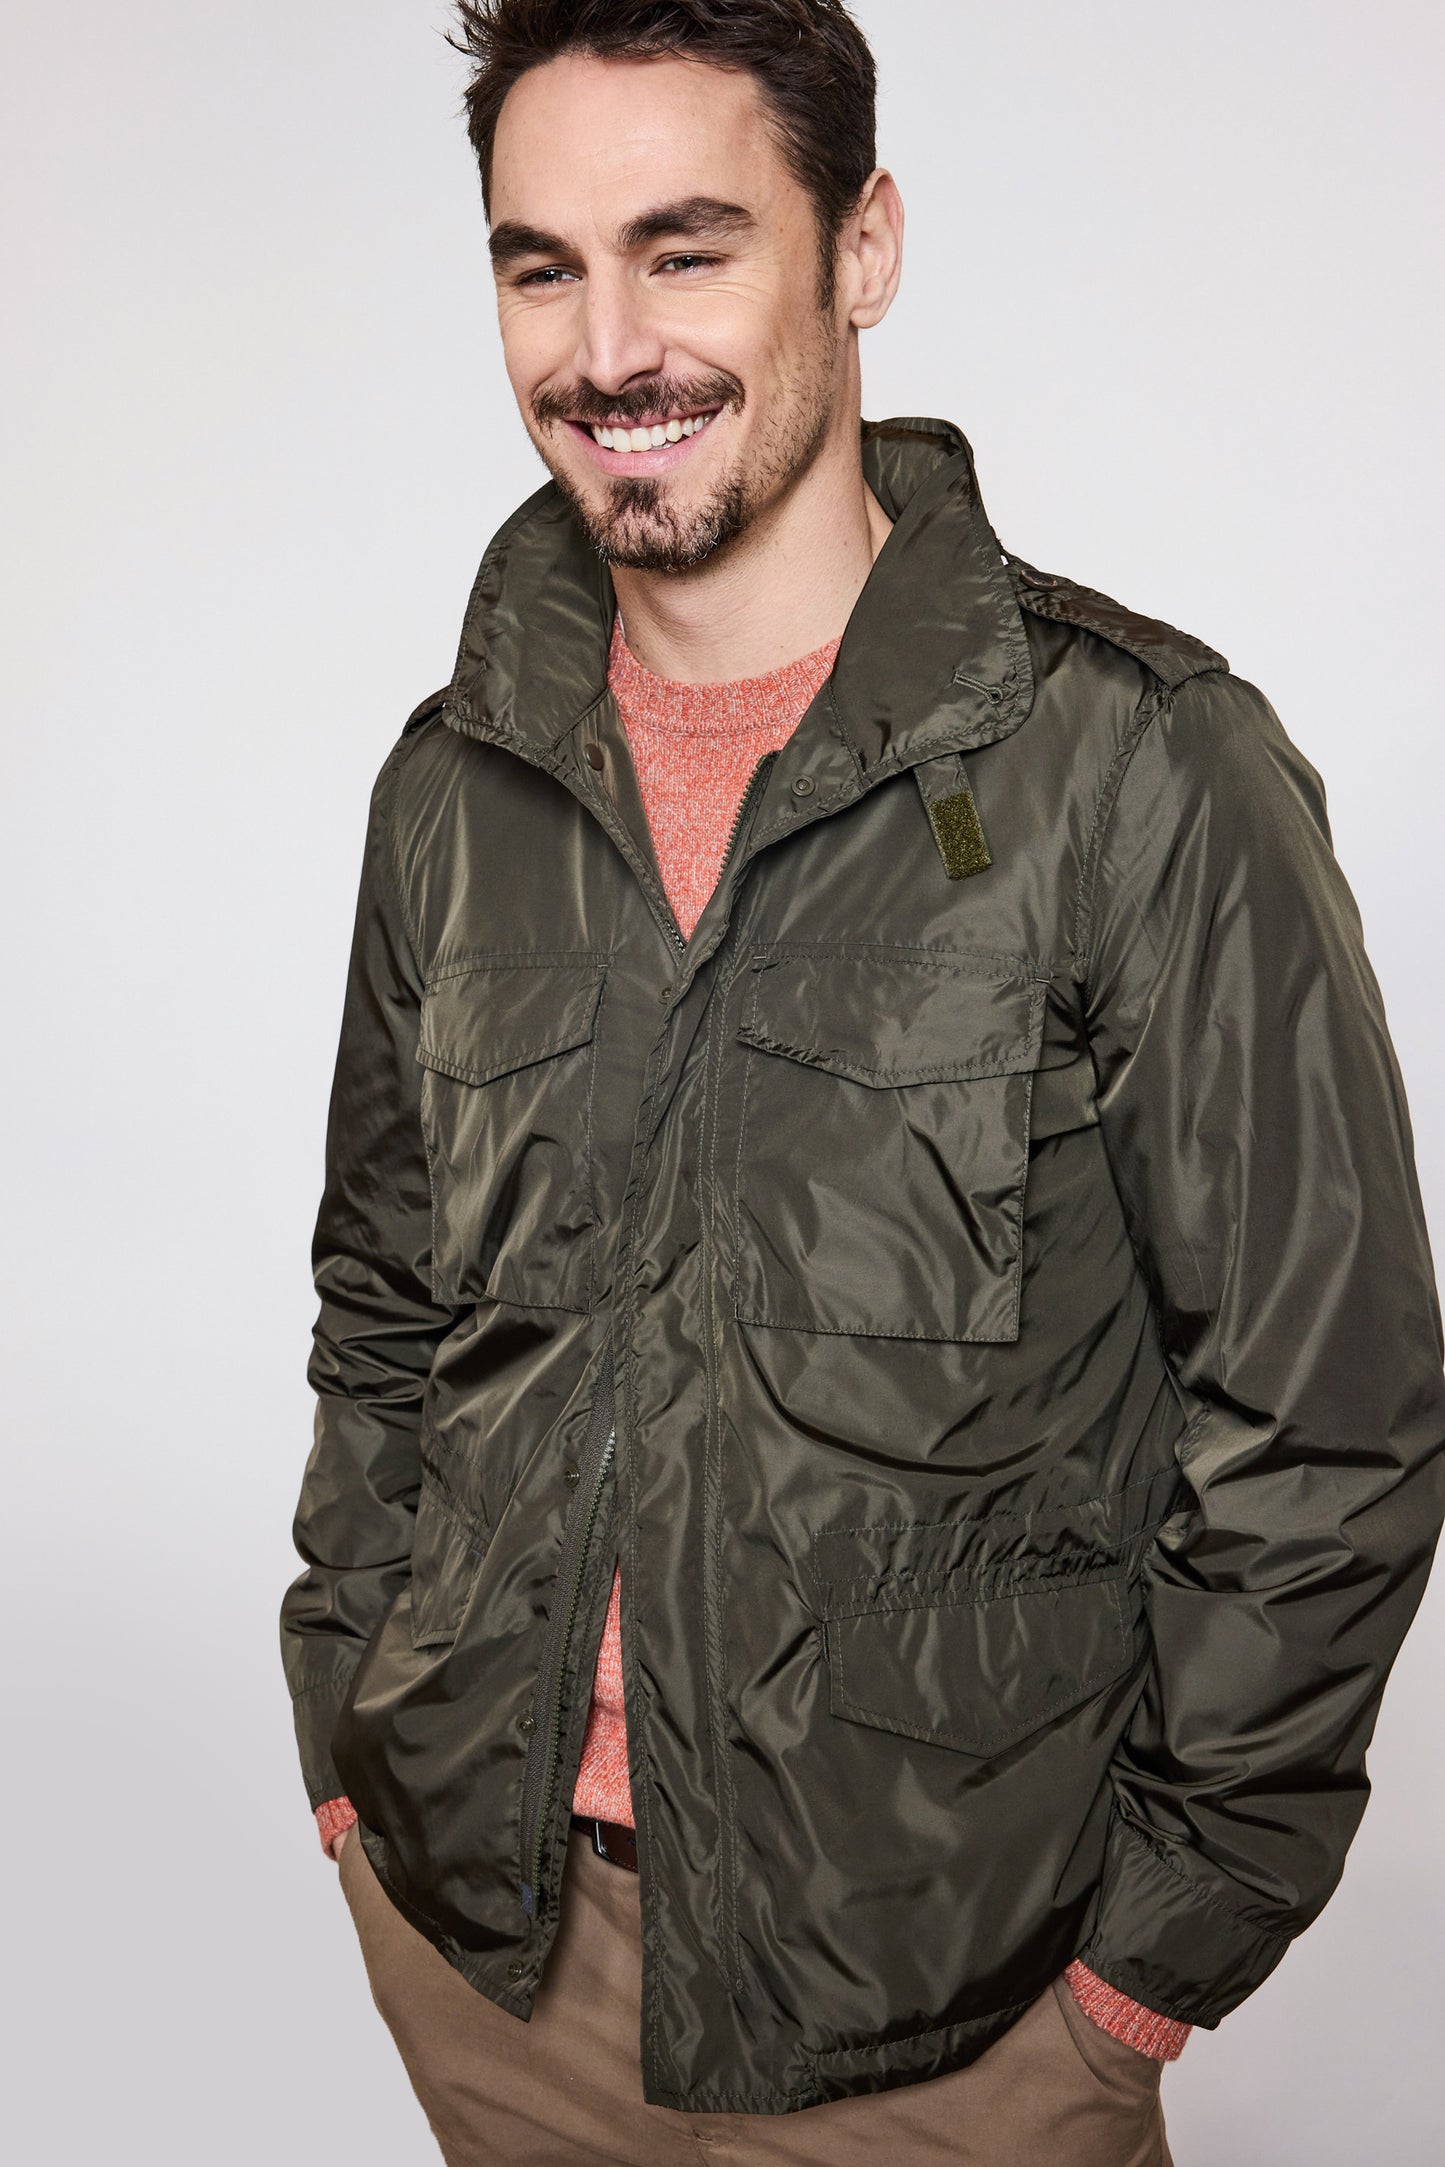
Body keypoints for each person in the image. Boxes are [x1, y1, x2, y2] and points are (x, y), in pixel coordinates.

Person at [280, 4, 1445, 2161]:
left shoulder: (1137, 768)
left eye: (686, 249)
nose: (607, 348)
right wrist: (349, 1736)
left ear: (863, 247)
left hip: (957, 2028)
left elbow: (1329, 1410)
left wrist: (1138, 1970)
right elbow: (388, 1306)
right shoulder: (450, 787)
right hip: (492, 1966)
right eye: (542, 266)